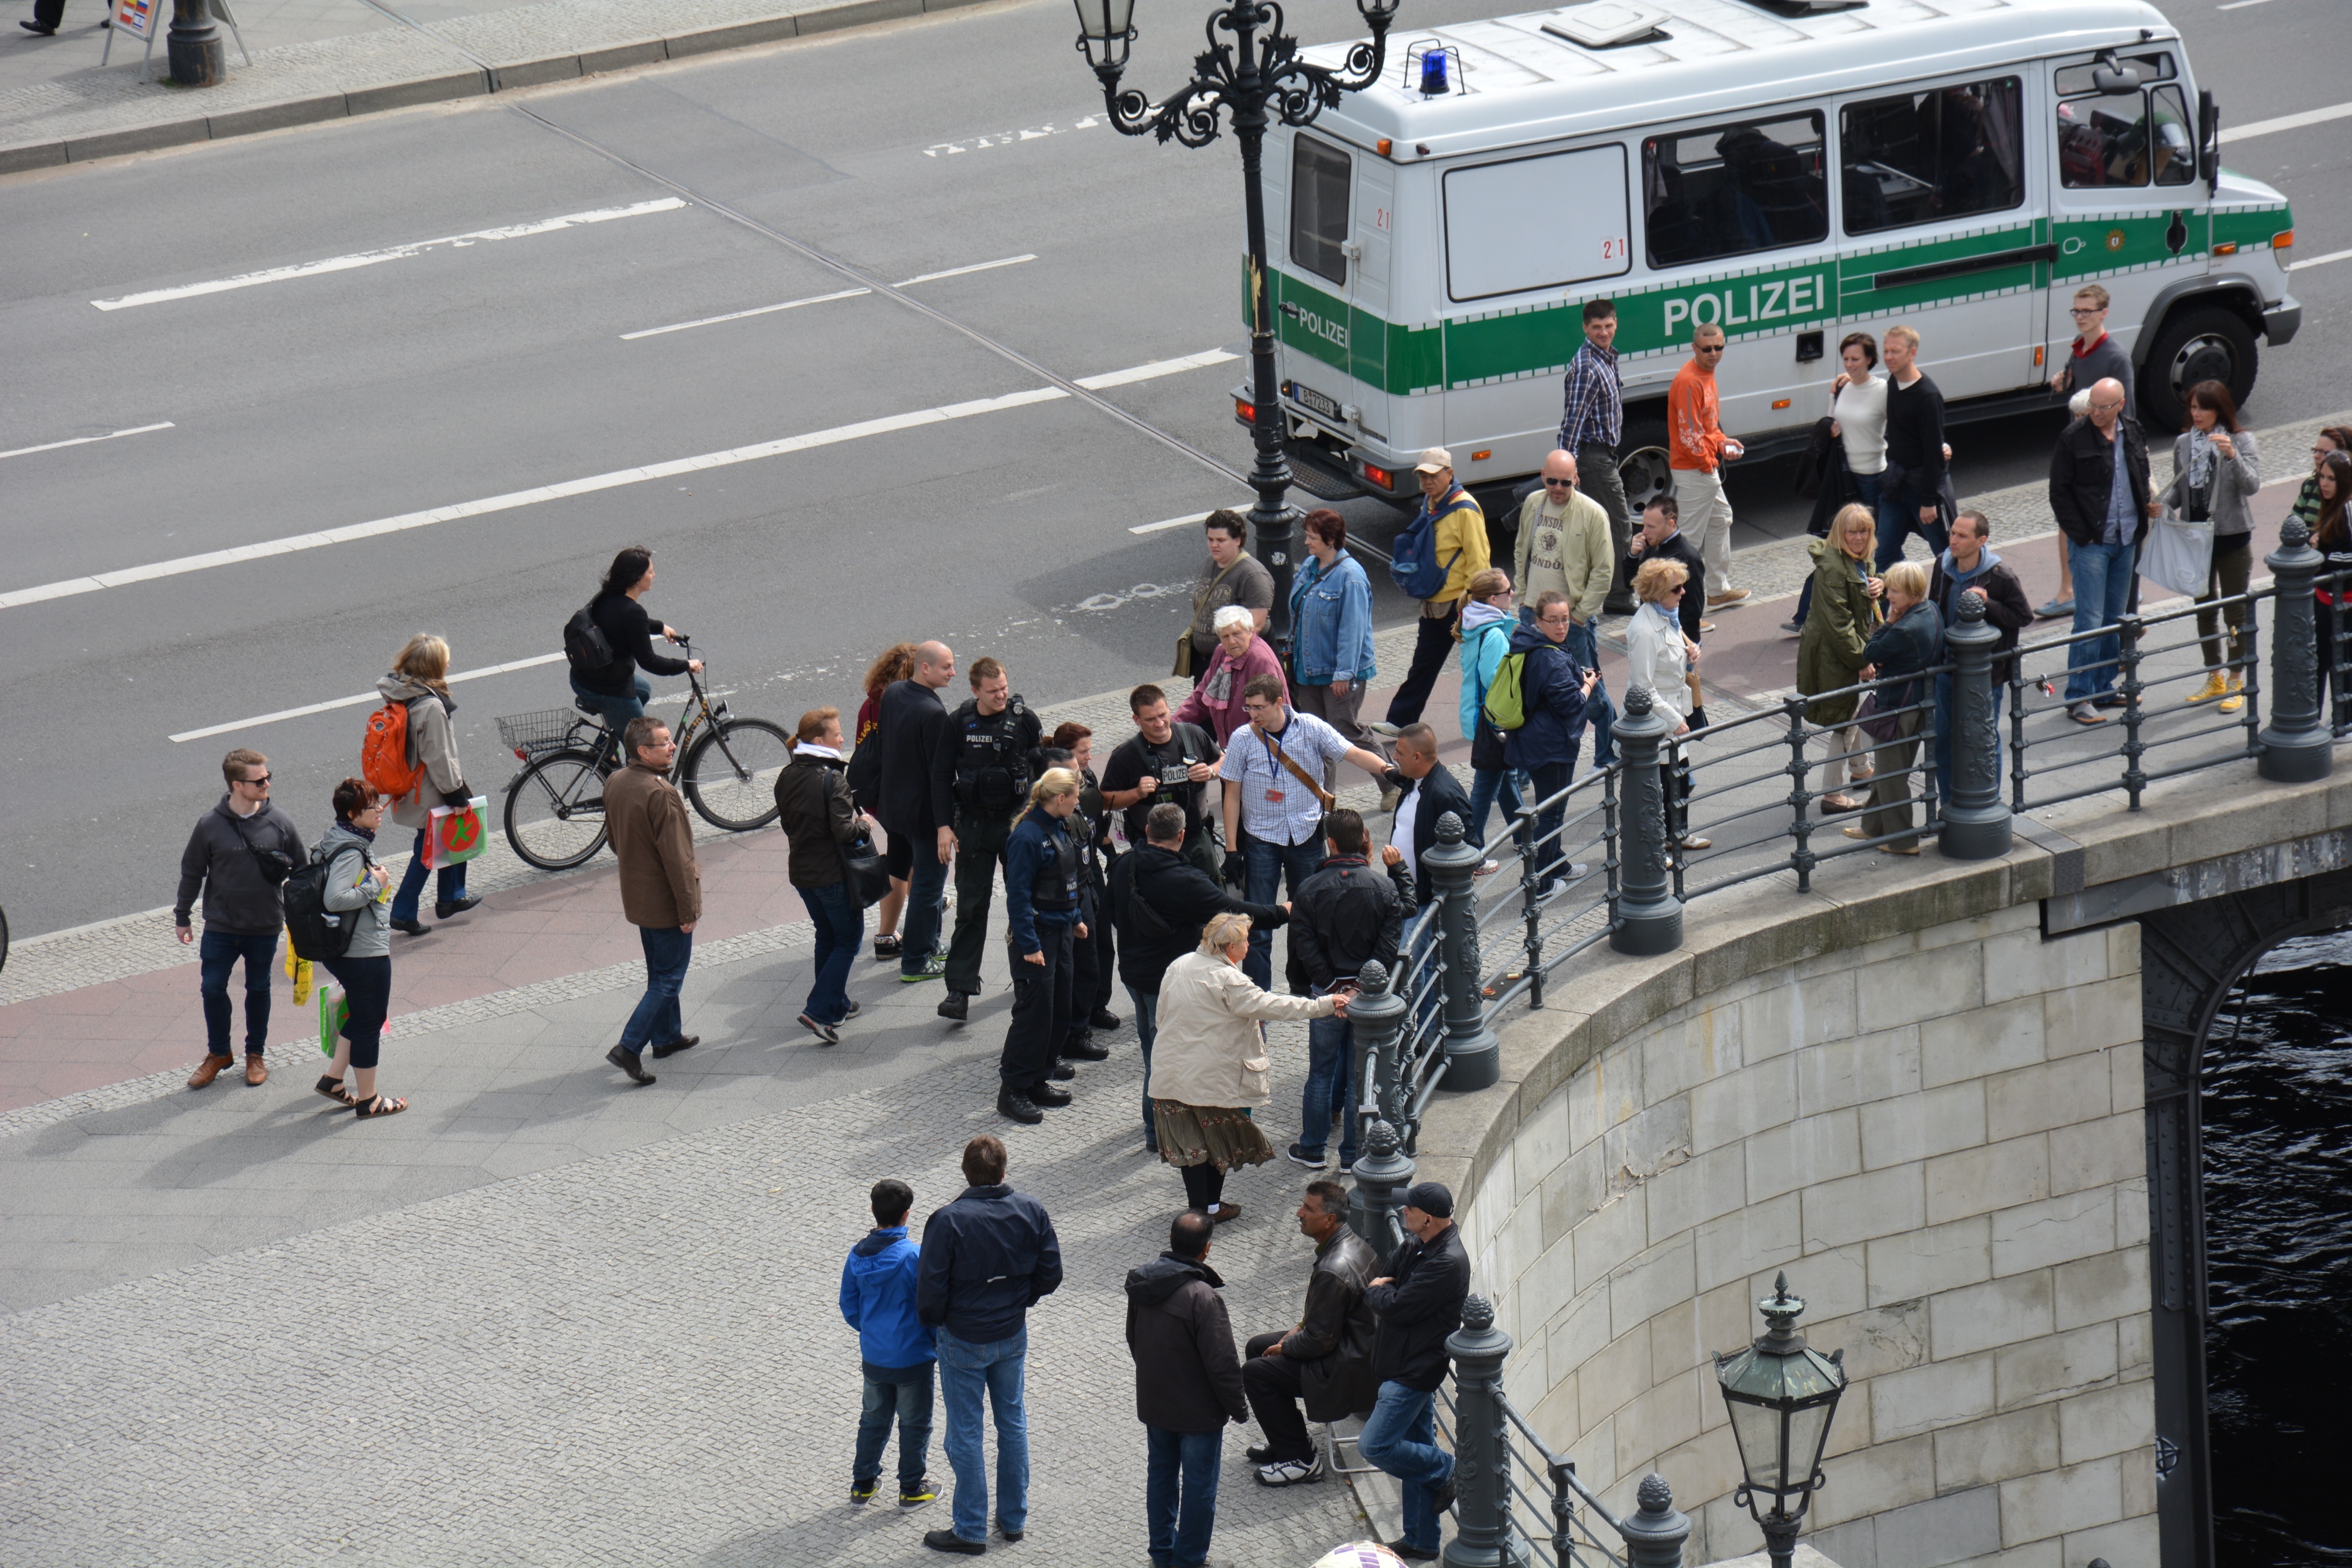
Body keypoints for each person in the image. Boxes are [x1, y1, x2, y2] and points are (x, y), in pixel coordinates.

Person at [1113, 803, 1290, 1156]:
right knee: (1166, 1056)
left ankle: (1154, 1128)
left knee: (1153, 1051)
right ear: (1182, 836)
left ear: (1147, 831)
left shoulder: (1123, 865)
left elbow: (1113, 912)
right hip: (1168, 981)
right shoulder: (1185, 880)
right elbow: (1234, 912)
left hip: (1133, 973)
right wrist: (1282, 912)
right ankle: (1159, 1131)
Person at [916, 1135, 1062, 1555]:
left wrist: (938, 1323)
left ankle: (970, 1529)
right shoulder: (1031, 1210)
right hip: (1011, 1333)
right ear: (1003, 1170)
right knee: (1012, 1423)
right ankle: (1013, 1520)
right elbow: (1051, 1273)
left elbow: (930, 1290)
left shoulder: (948, 1220)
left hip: (963, 1337)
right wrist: (1020, 1300)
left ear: (966, 1172)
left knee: (965, 1432)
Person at [1150, 912, 1342, 1224]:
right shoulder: (1230, 981)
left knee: (1191, 1148)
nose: (1249, 946)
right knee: (1218, 1143)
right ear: (1230, 948)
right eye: (1246, 941)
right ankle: (1209, 1209)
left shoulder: (1179, 964)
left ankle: (1199, 1213)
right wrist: (1326, 1004)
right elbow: (1275, 1005)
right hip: (1208, 1081)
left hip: (1170, 1075)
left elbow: (1161, 1017)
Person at [1219, 677, 1396, 991]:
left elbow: (1353, 753)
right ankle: (1258, 998)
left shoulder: (1311, 728)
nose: (1253, 714)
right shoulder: (1243, 739)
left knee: (1307, 918)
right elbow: (1231, 795)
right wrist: (1231, 849)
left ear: (1279, 703)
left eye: (1259, 707)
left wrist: (1387, 770)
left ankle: (1301, 989)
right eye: (1249, 708)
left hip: (1306, 834)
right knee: (1257, 924)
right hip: (1262, 838)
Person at [176, 748, 305, 1089]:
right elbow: (192, 872)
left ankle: (255, 1054)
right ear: (237, 785)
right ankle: (219, 1053)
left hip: (264, 925)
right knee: (212, 987)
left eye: (268, 777)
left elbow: (303, 871)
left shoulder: (280, 822)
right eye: (259, 780)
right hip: (221, 925)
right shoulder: (210, 825)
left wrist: (303, 916)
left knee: (258, 988)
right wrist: (182, 915)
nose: (267, 784)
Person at [1125, 1210, 1248, 1568]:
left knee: (1161, 1478)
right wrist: (1238, 1408)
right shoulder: (1203, 1297)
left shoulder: (1142, 1283)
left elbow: (1134, 1338)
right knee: (1199, 1488)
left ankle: (1162, 1554)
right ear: (1207, 1248)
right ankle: (1190, 1561)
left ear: (1171, 1239)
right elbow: (1222, 1363)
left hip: (1156, 1404)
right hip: (1198, 1414)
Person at [1285, 811, 1404, 1173]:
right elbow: (1388, 947)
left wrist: (1335, 988)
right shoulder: (1384, 888)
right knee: (1358, 1076)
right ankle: (1353, 1155)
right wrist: (1358, 988)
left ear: (1330, 842)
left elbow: (1305, 947)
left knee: (1321, 1073)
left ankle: (1313, 1148)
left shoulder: (1308, 889)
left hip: (1327, 994)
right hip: (1367, 997)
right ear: (1363, 841)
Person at [1360, 1182, 1471, 1564]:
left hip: (1414, 1371)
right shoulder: (1416, 1243)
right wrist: (1384, 1291)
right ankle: (1422, 1540)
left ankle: (1449, 1468)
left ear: (1429, 1218)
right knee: (1415, 1450)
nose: (1402, 1212)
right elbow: (1389, 1277)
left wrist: (1375, 1292)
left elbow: (1396, 1305)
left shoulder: (1447, 1262)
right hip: (1399, 1361)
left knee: (1375, 1446)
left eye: (1409, 1209)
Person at [1241, 1182, 1379, 1485]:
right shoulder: (1353, 1244)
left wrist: (1286, 1347)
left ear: (1329, 1220)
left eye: (1308, 1208)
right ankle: (1289, 1441)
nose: (1299, 1213)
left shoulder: (1333, 1268)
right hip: (1354, 1349)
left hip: (1349, 1369)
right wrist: (1298, 1328)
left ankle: (1303, 1461)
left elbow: (1319, 1341)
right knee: (1257, 1347)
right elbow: (1327, 1317)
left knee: (1255, 1373)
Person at [935, 658, 1044, 1023]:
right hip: (974, 825)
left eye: (1004, 688)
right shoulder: (958, 722)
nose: (1001, 696)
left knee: (1026, 902)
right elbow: (940, 777)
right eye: (993, 691)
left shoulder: (1025, 720)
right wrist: (944, 826)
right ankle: (959, 990)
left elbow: (1042, 773)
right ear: (975, 691)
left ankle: (1027, 976)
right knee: (970, 908)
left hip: (1017, 825)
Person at [2049, 378, 2158, 724]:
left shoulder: (2133, 430)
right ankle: (2079, 698)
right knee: (2089, 620)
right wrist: (2083, 536)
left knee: (2115, 618)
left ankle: (2104, 688)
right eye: (2092, 406)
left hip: (2126, 539)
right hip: (2093, 544)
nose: (2095, 413)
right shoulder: (2073, 438)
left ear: (2120, 405)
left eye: (2103, 407)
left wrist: (2147, 506)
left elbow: (2141, 473)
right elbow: (2059, 493)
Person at [603, 716, 702, 1084]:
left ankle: (667, 1037)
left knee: (658, 971)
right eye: (665, 742)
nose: (673, 746)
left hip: (639, 897)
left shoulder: (617, 780)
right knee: (668, 978)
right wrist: (689, 909)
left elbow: (614, 840)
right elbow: (678, 859)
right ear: (644, 751)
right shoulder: (661, 793)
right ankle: (629, 1047)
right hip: (665, 901)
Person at [2160, 382, 2264, 714]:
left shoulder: (2241, 441)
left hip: (2233, 536)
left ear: (2219, 409)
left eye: (2203, 408)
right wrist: (2162, 504)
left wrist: (2232, 456)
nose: (2196, 414)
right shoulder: (2183, 443)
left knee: (2235, 612)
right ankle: (2214, 676)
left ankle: (2236, 679)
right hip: (2196, 539)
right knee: (2204, 610)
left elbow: (2252, 485)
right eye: (2192, 407)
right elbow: (2180, 491)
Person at [1510, 449, 1617, 766]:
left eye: (1566, 483)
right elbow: (1521, 549)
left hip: (1571, 622)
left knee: (1591, 692)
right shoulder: (1533, 503)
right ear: (1543, 476)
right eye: (1552, 481)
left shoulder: (1593, 513)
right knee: (1533, 691)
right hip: (1532, 614)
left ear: (1576, 479)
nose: (1558, 488)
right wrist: (1524, 595)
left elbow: (1604, 571)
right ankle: (1531, 762)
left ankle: (1607, 755)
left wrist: (1580, 617)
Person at [995, 770, 1088, 1125]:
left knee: (1058, 1009)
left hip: (1060, 933)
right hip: (1036, 939)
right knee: (1033, 1015)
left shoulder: (1059, 826)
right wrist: (1030, 945)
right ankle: (1013, 1089)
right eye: (1075, 795)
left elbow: (1065, 881)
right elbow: (1018, 896)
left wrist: (1075, 917)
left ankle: (1038, 1078)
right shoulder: (1027, 837)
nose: (1078, 801)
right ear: (1060, 798)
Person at [775, 707, 872, 1045]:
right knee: (848, 940)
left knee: (826, 937)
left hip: (802, 873)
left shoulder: (787, 774)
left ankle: (837, 1004)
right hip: (833, 874)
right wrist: (864, 824)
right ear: (819, 740)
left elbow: (788, 824)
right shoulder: (833, 779)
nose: (843, 739)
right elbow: (845, 832)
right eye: (837, 734)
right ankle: (818, 1011)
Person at [840, 1177, 937, 1510]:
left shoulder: (856, 1257)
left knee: (873, 1419)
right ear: (907, 1214)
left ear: (873, 1210)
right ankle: (911, 1489)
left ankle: (863, 1485)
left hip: (875, 1357)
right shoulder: (915, 1256)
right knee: (915, 1423)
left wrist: (871, 1332)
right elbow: (930, 1307)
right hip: (913, 1357)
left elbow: (849, 1305)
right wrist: (933, 1342)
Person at [2040, 285, 2136, 619]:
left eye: (2087, 311)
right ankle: (2069, 589)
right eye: (2076, 311)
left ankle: (2115, 601)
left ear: (2103, 313)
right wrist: (2064, 382)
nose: (2080, 317)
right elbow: (2081, 388)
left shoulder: (2115, 357)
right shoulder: (2080, 349)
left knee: (2104, 524)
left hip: (2102, 455)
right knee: (2068, 516)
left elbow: (2127, 414)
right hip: (2078, 447)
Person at [312, 778, 405, 1118]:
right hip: (362, 951)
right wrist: (374, 885)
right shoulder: (351, 850)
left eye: (379, 803)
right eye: (372, 807)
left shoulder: (335, 838)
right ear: (353, 814)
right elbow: (334, 899)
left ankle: (334, 1080)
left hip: (343, 947)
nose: (380, 810)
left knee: (364, 1015)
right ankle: (370, 1100)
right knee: (370, 1022)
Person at [376, 634, 480, 936]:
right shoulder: (431, 706)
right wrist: (456, 794)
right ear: (434, 666)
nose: (449, 665)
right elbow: (440, 756)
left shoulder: (400, 693)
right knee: (429, 849)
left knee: (442, 840)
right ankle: (404, 911)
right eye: (445, 660)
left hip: (410, 785)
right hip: (429, 788)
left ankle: (451, 897)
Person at [1382, 449, 1490, 731]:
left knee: (1480, 667)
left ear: (1450, 474)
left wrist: (1473, 604)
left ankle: (1495, 719)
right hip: (1433, 604)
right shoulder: (1431, 504)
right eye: (1422, 476)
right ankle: (1400, 721)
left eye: (1433, 475)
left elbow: (1479, 561)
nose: (1427, 482)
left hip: (1459, 606)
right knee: (1423, 666)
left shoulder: (1465, 509)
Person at [1928, 511, 2033, 802]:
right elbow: (1933, 607)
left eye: (1962, 536)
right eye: (1953, 533)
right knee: (1942, 739)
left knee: (1984, 739)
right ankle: (1948, 804)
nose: (1954, 540)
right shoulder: (1942, 564)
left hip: (1986, 675)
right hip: (1946, 669)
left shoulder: (2000, 576)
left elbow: (2023, 616)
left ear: (1981, 541)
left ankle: (1989, 801)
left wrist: (1989, 603)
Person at [1789, 333, 1888, 633]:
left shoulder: (1882, 390)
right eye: (1846, 359)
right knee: (1836, 547)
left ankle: (1884, 608)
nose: (1850, 364)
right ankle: (1805, 616)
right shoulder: (1842, 386)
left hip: (1872, 479)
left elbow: (1901, 426)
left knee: (1873, 549)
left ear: (1870, 359)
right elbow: (1832, 421)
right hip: (1843, 477)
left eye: (1856, 359)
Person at [1503, 595, 1601, 895]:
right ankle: (1540, 883)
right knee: (1551, 814)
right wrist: (1588, 684)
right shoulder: (1550, 657)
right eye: (1553, 620)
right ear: (1539, 621)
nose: (1561, 626)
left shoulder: (1533, 644)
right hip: (1551, 746)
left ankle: (1557, 864)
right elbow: (1571, 703)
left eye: (1565, 619)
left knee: (1550, 810)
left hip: (1536, 739)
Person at [1846, 561, 1942, 856]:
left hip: (1898, 708)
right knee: (1889, 770)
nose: (1889, 597)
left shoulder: (1904, 628)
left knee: (1891, 777)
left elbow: (1870, 652)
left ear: (1912, 592)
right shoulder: (1931, 610)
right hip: (1917, 703)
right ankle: (1873, 826)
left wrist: (1888, 622)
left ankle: (1903, 841)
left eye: (1895, 592)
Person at [879, 642, 958, 984]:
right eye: (947, 667)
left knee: (922, 882)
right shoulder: (933, 712)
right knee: (928, 886)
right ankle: (915, 960)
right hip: (925, 816)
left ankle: (930, 945)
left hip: (896, 808)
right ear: (925, 668)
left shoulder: (895, 692)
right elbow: (939, 776)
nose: (953, 672)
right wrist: (945, 825)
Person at [1797, 504, 1883, 815]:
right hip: (1834, 654)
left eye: (1864, 531)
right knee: (1844, 720)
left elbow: (1862, 591)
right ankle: (1832, 794)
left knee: (1853, 708)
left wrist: (1879, 583)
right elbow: (1838, 623)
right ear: (1839, 533)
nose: (1859, 538)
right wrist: (1862, 659)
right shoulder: (1833, 566)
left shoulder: (1860, 558)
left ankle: (1860, 769)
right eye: (1852, 532)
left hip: (1842, 649)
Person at [1555, 297, 1638, 615]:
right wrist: (1567, 467)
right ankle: (1619, 596)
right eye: (1597, 328)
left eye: (1608, 326)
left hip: (1603, 455)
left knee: (1599, 527)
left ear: (1616, 324)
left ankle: (1602, 590)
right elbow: (1572, 422)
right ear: (1585, 328)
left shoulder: (1605, 357)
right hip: (1594, 459)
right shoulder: (1588, 367)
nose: (1604, 332)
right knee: (1618, 526)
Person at [569, 546, 702, 731]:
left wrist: (661, 628)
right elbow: (649, 662)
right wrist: (685, 665)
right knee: (643, 743)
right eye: (650, 571)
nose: (654, 575)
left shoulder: (608, 596)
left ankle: (610, 741)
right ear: (637, 578)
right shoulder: (633, 612)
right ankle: (628, 745)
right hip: (607, 688)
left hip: (583, 677)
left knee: (644, 690)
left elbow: (629, 623)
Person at [1101, 685, 1224, 880]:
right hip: (1152, 846)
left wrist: (1211, 771)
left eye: (1163, 715)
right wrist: (1136, 793)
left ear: (1168, 708)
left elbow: (1223, 759)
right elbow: (1105, 800)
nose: (1159, 723)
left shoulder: (1193, 735)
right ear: (1137, 720)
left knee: (1212, 892)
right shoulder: (1125, 755)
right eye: (1150, 719)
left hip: (1197, 836)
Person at [1624, 559, 1703, 850]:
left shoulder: (1668, 614)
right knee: (1656, 789)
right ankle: (1655, 847)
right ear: (1657, 593)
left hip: (1672, 709)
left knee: (1679, 780)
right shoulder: (1644, 630)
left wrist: (1690, 651)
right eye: (1676, 588)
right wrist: (1674, 720)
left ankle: (1677, 835)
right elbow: (1642, 686)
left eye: (1683, 586)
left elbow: (1671, 650)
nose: (1683, 592)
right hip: (1656, 720)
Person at [1287, 509, 1379, 761]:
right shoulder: (1310, 566)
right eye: (1307, 536)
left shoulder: (1351, 576)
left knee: (1345, 732)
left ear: (1330, 540)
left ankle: (1392, 778)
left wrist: (1344, 674)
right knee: (1315, 738)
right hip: (1309, 670)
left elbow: (1353, 630)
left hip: (1339, 673)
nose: (1306, 542)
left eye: (1312, 537)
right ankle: (1323, 789)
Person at [1048, 722, 1121, 1034]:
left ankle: (1097, 1005)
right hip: (1067, 876)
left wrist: (1111, 852)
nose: (1089, 757)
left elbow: (1093, 825)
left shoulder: (1087, 777)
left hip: (1090, 870)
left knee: (1102, 942)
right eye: (1083, 752)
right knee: (1078, 951)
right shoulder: (1052, 790)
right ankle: (1075, 1020)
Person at [1668, 325, 1746, 610]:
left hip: (1700, 466)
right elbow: (1690, 435)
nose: (1714, 353)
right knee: (1688, 539)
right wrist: (1708, 462)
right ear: (1694, 348)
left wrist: (1722, 442)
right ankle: (1679, 606)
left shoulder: (1704, 374)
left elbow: (1706, 427)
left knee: (1721, 519)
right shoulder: (1690, 381)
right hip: (1695, 469)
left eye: (1719, 347)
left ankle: (1716, 590)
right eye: (1707, 349)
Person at [856, 642, 919, 961]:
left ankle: (902, 920)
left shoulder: (869, 704)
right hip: (902, 798)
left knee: (904, 854)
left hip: (876, 795)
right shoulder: (903, 706)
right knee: (905, 860)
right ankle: (891, 935)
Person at [1456, 569, 1523, 856]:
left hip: (1478, 715)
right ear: (1493, 599)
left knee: (1505, 777)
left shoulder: (1474, 624)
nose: (1513, 593)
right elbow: (1494, 678)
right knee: (1485, 788)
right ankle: (1472, 851)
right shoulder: (1494, 634)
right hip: (1492, 720)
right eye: (1508, 591)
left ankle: (1524, 837)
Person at [1626, 495, 1708, 726]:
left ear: (1670, 524)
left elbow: (1692, 609)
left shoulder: (1686, 556)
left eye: (1651, 526)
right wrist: (1633, 557)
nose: (1644, 532)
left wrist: (1689, 646)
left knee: (1683, 700)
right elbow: (1632, 585)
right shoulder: (1653, 548)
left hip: (1677, 647)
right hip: (1664, 649)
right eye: (1644, 525)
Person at [1878, 325, 1950, 573]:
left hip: (1921, 488)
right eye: (1886, 351)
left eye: (1895, 351)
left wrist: (1928, 501)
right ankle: (1893, 598)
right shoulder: (1893, 382)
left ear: (1912, 353)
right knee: (1882, 555)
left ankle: (1956, 596)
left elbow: (1933, 453)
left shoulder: (1927, 397)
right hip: (1896, 484)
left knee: (1946, 554)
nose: (1889, 357)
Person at [1385, 724, 1473, 913]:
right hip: (1405, 892)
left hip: (1426, 901)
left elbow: (1471, 843)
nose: (1395, 757)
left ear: (1417, 758)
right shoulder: (1412, 779)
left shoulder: (1446, 794)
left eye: (1399, 753)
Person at [1176, 606, 1290, 749]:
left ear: (1250, 631)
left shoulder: (1261, 660)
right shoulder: (1222, 653)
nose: (1232, 641)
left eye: (1237, 634)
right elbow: (1202, 696)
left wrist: (1237, 746)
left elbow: (1271, 712)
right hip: (1233, 746)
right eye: (1225, 636)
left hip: (1261, 747)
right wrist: (1172, 724)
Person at [1182, 511, 1275, 675]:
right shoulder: (1211, 562)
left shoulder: (1253, 574)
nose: (1214, 545)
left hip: (1234, 666)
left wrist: (1225, 663)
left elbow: (1255, 628)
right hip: (1206, 663)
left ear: (1237, 540)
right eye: (1210, 539)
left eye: (1221, 540)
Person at [2310, 453, 2352, 724]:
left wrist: (2320, 556)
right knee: (2321, 660)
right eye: (2322, 477)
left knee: (2341, 662)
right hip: (2325, 598)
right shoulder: (2331, 508)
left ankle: (2345, 720)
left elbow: (2347, 555)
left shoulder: (2347, 509)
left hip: (2343, 601)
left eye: (2332, 479)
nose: (2324, 484)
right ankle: (2316, 719)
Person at [2288, 428, 2352, 535]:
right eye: (2316, 450)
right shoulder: (2310, 486)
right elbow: (2292, 525)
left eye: (2323, 452)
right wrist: (2311, 538)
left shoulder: (2348, 502)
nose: (2316, 456)